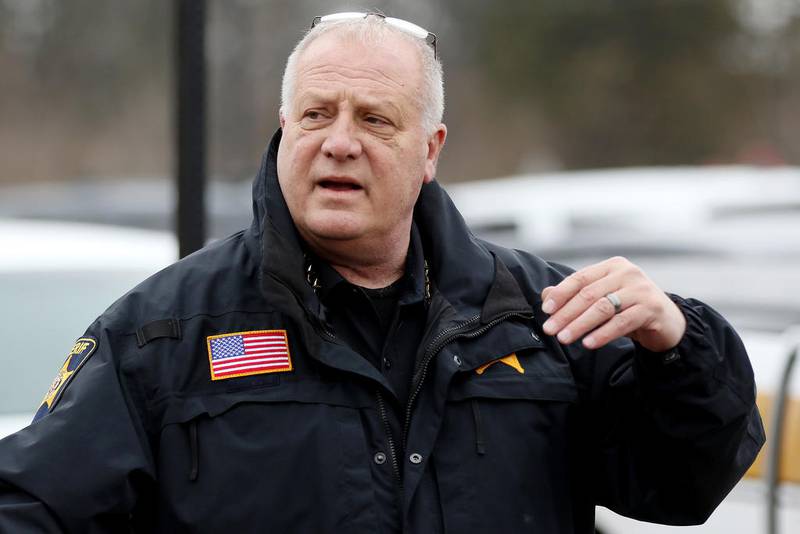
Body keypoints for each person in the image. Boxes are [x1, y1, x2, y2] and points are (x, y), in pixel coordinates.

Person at [0, 12, 764, 533]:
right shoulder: (166, 329)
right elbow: (32, 506)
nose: (338, 142)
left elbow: (683, 487)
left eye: (374, 119)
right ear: (283, 132)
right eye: (315, 114)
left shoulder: (545, 316)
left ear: (430, 151)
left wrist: (679, 346)